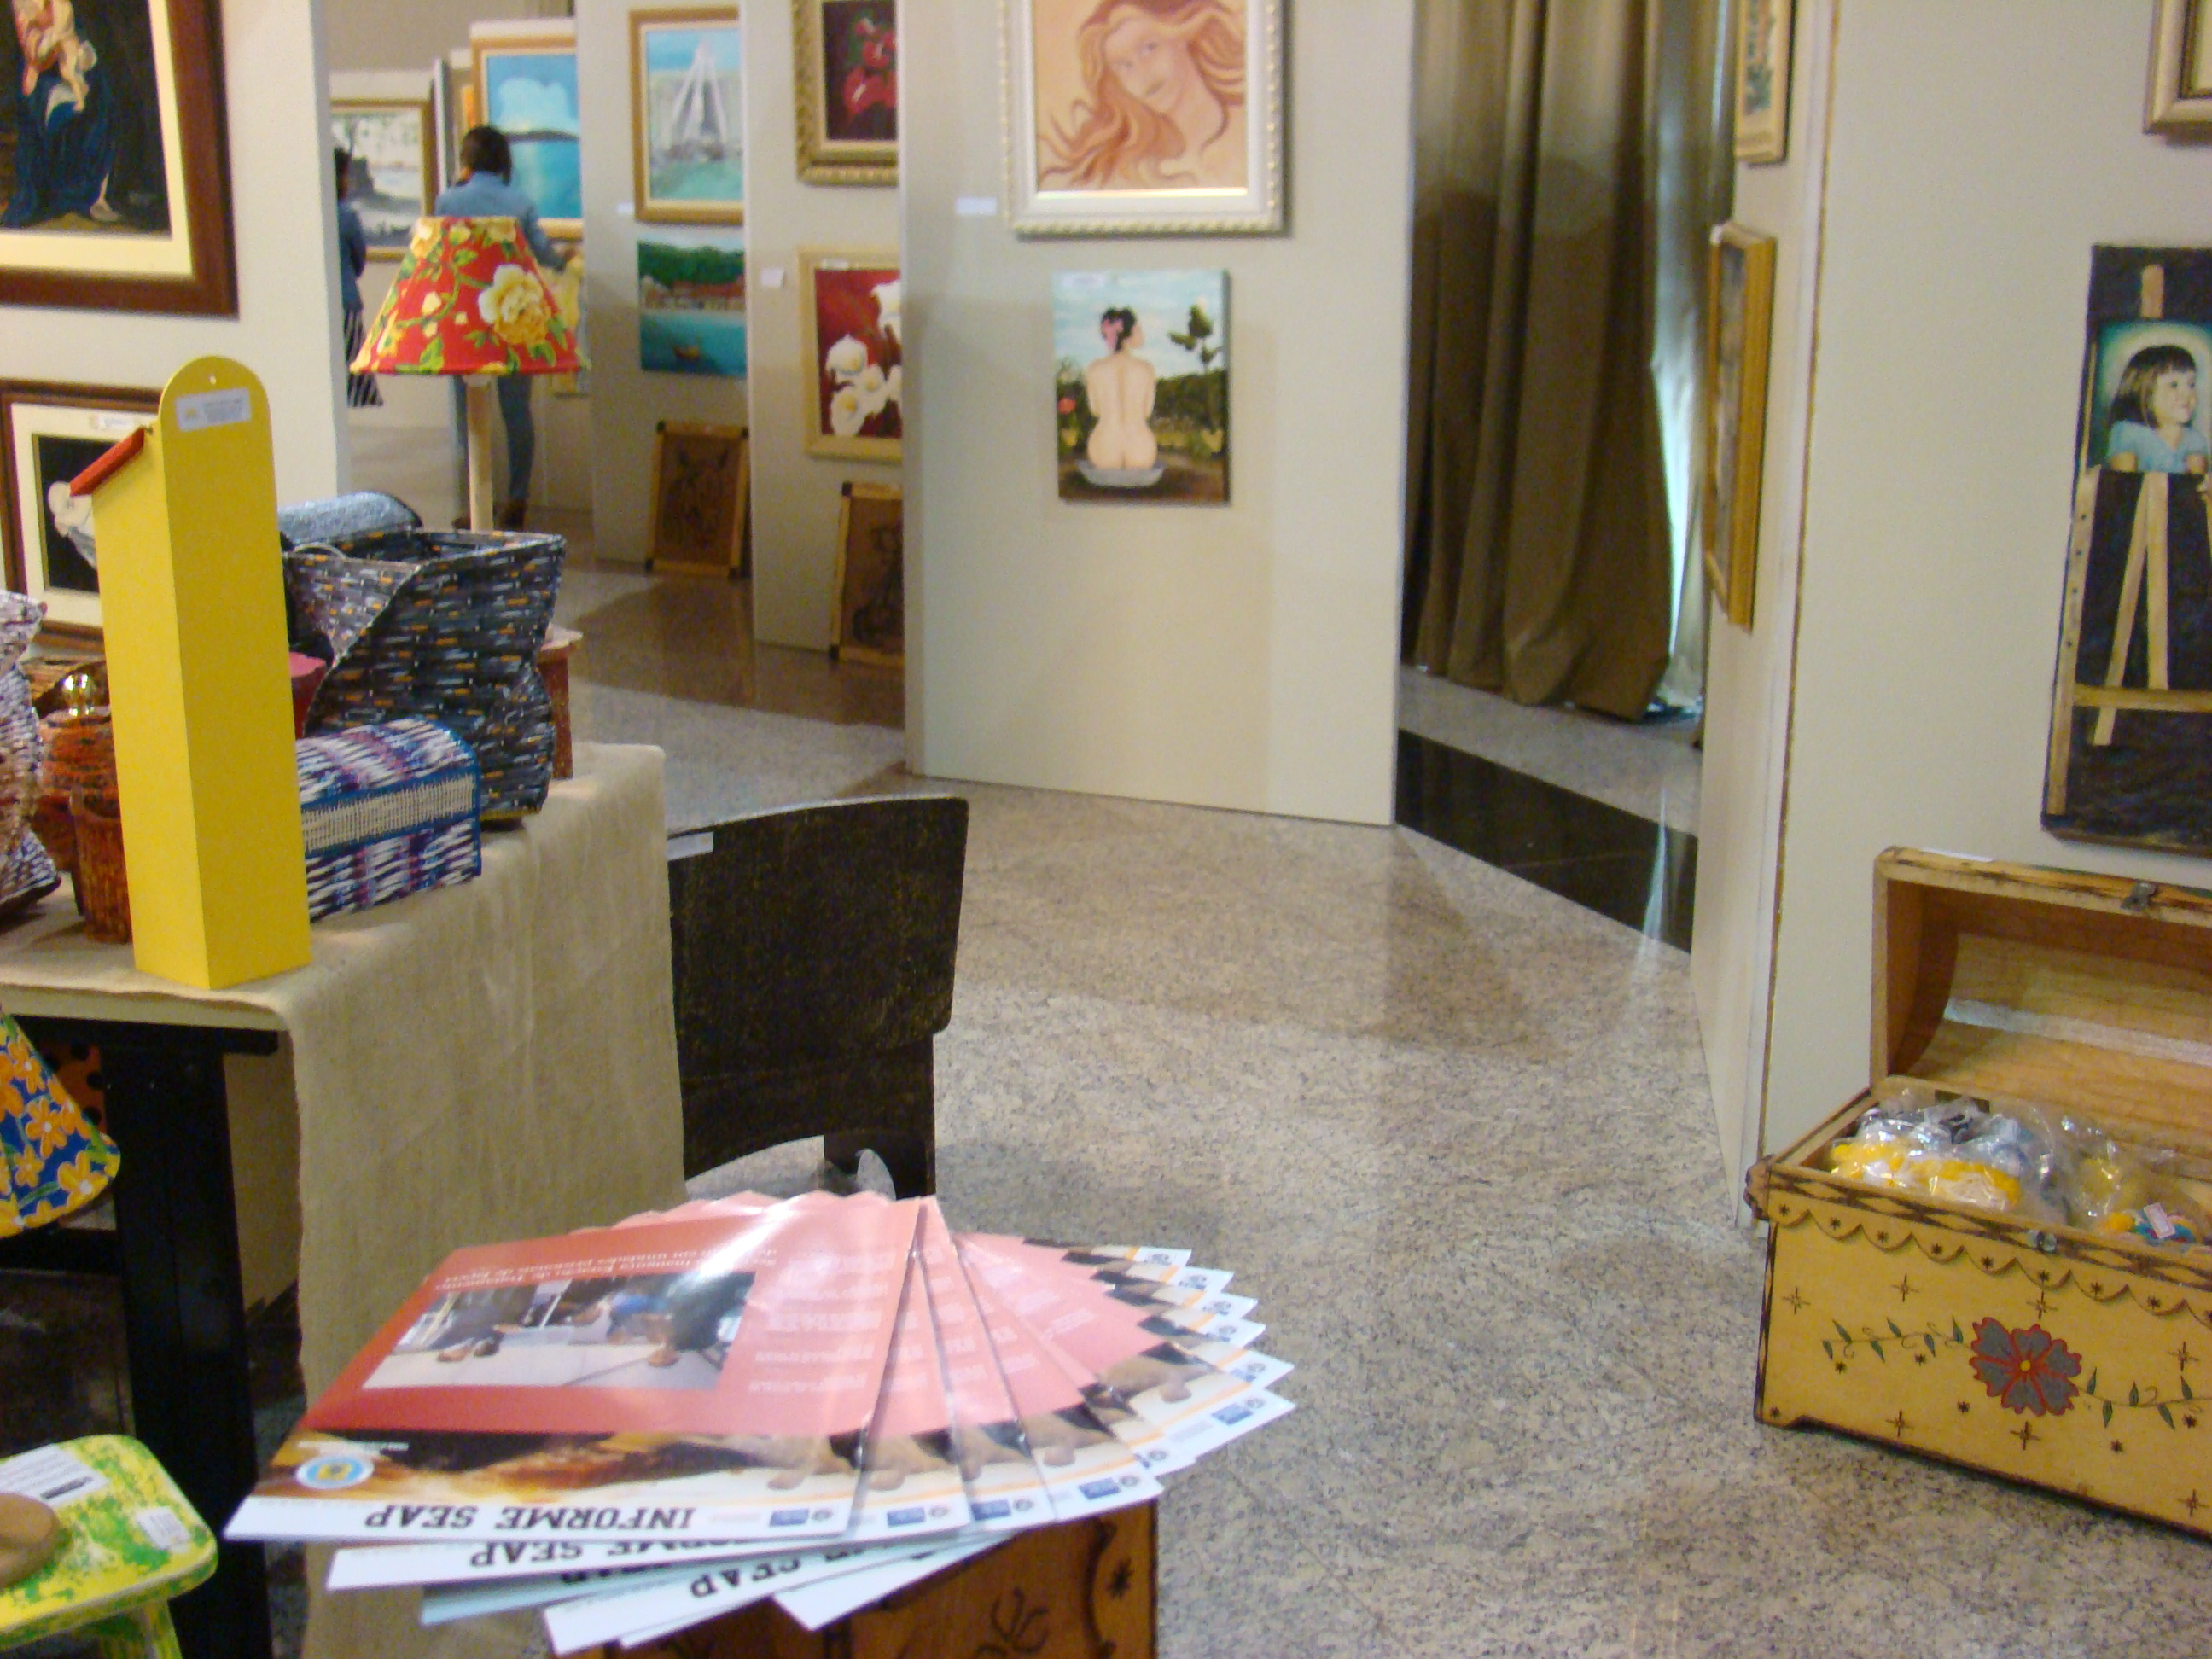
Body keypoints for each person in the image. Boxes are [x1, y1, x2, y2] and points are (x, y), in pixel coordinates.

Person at [434, 125, 568, 529]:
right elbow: (543, 253)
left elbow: (441, 254)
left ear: (468, 160)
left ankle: (474, 502)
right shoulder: (520, 202)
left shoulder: (448, 201)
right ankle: (517, 497)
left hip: (464, 320)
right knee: (516, 414)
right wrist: (565, 259)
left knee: (467, 417)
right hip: (513, 316)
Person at [1041, 0, 1246, 192]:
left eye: (1149, 48)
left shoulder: (1249, 129)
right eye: (1124, 65)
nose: (1141, 72)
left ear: (1181, 36)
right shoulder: (1127, 171)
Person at [3, 0, 117, 227]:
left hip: (76, 66)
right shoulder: (23, 5)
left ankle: (91, 192)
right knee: (46, 109)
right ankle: (53, 194)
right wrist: (53, 42)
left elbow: (78, 34)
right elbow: (36, 57)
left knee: (101, 95)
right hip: (42, 76)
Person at [2105, 343, 2211, 477]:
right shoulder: (2128, 433)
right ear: (2144, 391)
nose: (2187, 394)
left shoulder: (2194, 439)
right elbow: (2123, 483)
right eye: (2173, 385)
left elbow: (2197, 483)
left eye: (2191, 385)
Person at [1084, 306, 1158, 474]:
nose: (1141, 332)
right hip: (1141, 450)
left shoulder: (1094, 369)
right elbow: (1146, 412)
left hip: (1103, 450)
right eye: (1138, 328)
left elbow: (1095, 410)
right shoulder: (1147, 369)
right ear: (1128, 331)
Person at [334, 149, 381, 410]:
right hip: (345, 301)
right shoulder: (346, 216)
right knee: (350, 374)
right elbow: (359, 260)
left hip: (311, 306)